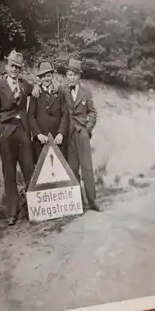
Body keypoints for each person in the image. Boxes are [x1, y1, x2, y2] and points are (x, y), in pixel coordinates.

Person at [0, 49, 40, 226]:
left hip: (23, 132)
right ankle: (12, 213)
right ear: (6, 66)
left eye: (18, 67)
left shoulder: (25, 85)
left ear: (20, 70)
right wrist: (0, 131)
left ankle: (34, 209)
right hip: (7, 133)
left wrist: (40, 86)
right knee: (9, 174)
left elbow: (37, 90)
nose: (14, 70)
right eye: (12, 66)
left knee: (29, 170)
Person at [63, 58, 101, 212]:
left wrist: (88, 128)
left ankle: (92, 201)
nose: (71, 77)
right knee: (72, 168)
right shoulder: (62, 91)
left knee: (87, 167)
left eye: (74, 75)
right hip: (69, 134)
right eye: (69, 74)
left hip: (82, 133)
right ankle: (77, 202)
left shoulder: (86, 92)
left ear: (79, 77)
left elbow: (92, 112)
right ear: (66, 75)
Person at [28, 61, 68, 162]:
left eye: (48, 75)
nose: (46, 78)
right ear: (40, 78)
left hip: (57, 140)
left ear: (52, 76)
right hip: (41, 141)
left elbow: (65, 114)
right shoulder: (36, 93)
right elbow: (31, 116)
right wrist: (38, 134)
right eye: (43, 76)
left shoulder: (60, 92)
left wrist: (61, 133)